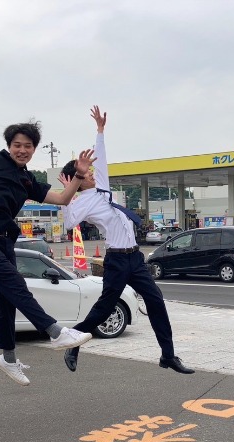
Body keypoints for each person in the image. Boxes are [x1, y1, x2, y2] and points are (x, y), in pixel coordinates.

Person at [0, 120, 96, 386]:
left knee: (6, 299)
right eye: (17, 145)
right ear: (9, 145)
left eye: (28, 146)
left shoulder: (26, 179)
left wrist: (79, 176)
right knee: (16, 284)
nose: (22, 150)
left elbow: (62, 199)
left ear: (34, 149)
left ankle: (8, 359)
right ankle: (55, 331)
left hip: (5, 242)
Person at [57, 106, 194, 375]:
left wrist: (100, 131)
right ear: (77, 180)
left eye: (91, 170)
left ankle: (168, 355)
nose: (92, 172)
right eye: (85, 172)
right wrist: (67, 195)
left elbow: (102, 160)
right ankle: (74, 341)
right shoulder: (82, 202)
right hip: (117, 260)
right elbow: (69, 223)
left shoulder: (102, 187)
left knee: (156, 300)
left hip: (135, 258)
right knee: (105, 307)